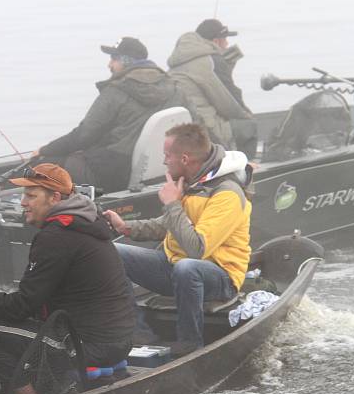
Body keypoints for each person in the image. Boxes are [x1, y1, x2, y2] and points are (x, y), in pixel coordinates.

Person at [0, 164, 135, 394]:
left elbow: (22, 305)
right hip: (116, 340)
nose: (23, 203)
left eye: (31, 196)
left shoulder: (57, 236)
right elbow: (34, 298)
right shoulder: (87, 221)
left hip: (89, 345)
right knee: (8, 320)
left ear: (55, 197)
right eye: (24, 195)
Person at [103, 123, 252, 356]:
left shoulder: (227, 193)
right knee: (108, 252)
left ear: (184, 158)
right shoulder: (193, 184)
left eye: (167, 155)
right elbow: (169, 225)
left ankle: (190, 344)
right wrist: (125, 227)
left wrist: (172, 203)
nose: (164, 162)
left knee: (187, 267)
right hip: (175, 268)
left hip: (220, 277)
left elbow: (197, 249)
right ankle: (137, 333)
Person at [37, 37, 192, 192]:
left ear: (125, 61)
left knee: (40, 168)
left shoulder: (116, 91)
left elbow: (83, 135)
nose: (109, 64)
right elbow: (195, 126)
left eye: (113, 59)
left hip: (113, 172)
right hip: (160, 169)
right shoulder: (177, 89)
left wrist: (45, 150)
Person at [167, 19, 252, 151]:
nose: (227, 44)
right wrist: (247, 115)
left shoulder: (180, 58)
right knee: (247, 126)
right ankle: (246, 167)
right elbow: (229, 104)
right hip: (206, 129)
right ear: (216, 41)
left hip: (181, 126)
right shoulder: (212, 61)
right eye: (225, 39)